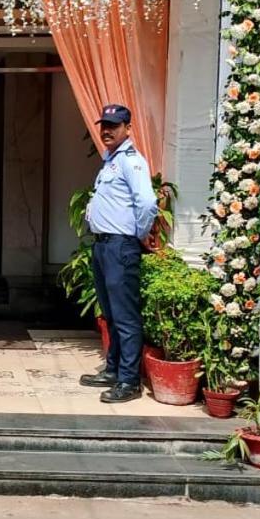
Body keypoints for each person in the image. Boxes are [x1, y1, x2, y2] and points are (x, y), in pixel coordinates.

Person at [78, 104, 158, 403]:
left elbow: (147, 203)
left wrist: (139, 234)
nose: (106, 131)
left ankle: (129, 381)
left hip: (120, 246)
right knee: (110, 314)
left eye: (113, 125)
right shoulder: (110, 160)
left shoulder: (131, 161)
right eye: (104, 125)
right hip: (103, 245)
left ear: (128, 128)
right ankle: (113, 370)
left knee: (125, 316)